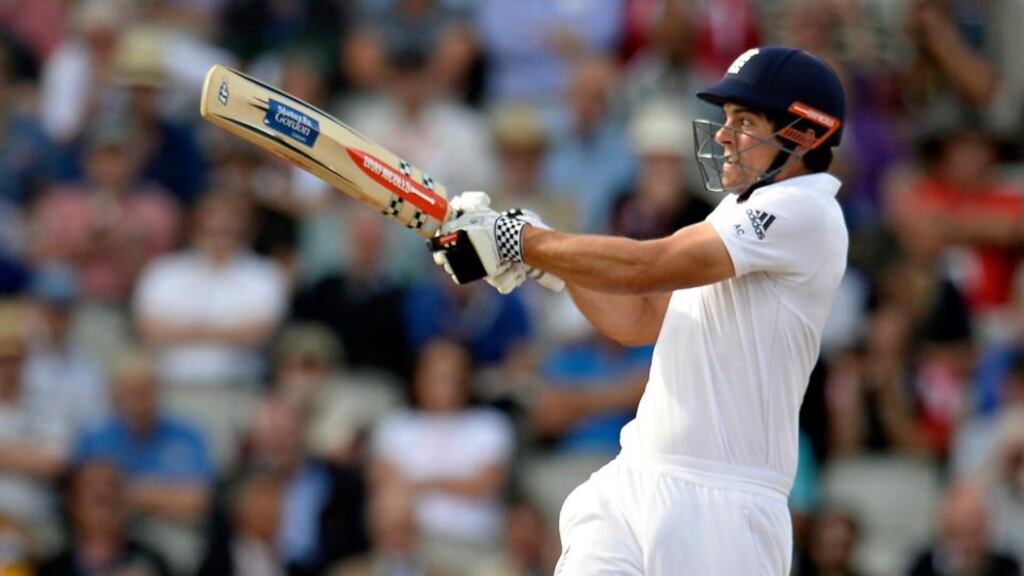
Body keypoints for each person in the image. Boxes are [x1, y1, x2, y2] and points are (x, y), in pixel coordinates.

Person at [431, 46, 849, 574]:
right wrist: (549, 264)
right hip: (636, 478)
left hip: (728, 506)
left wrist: (524, 240)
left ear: (805, 135)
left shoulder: (809, 210)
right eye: (726, 119)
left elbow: (645, 267)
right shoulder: (738, 209)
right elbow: (642, 318)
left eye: (745, 122)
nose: (723, 135)